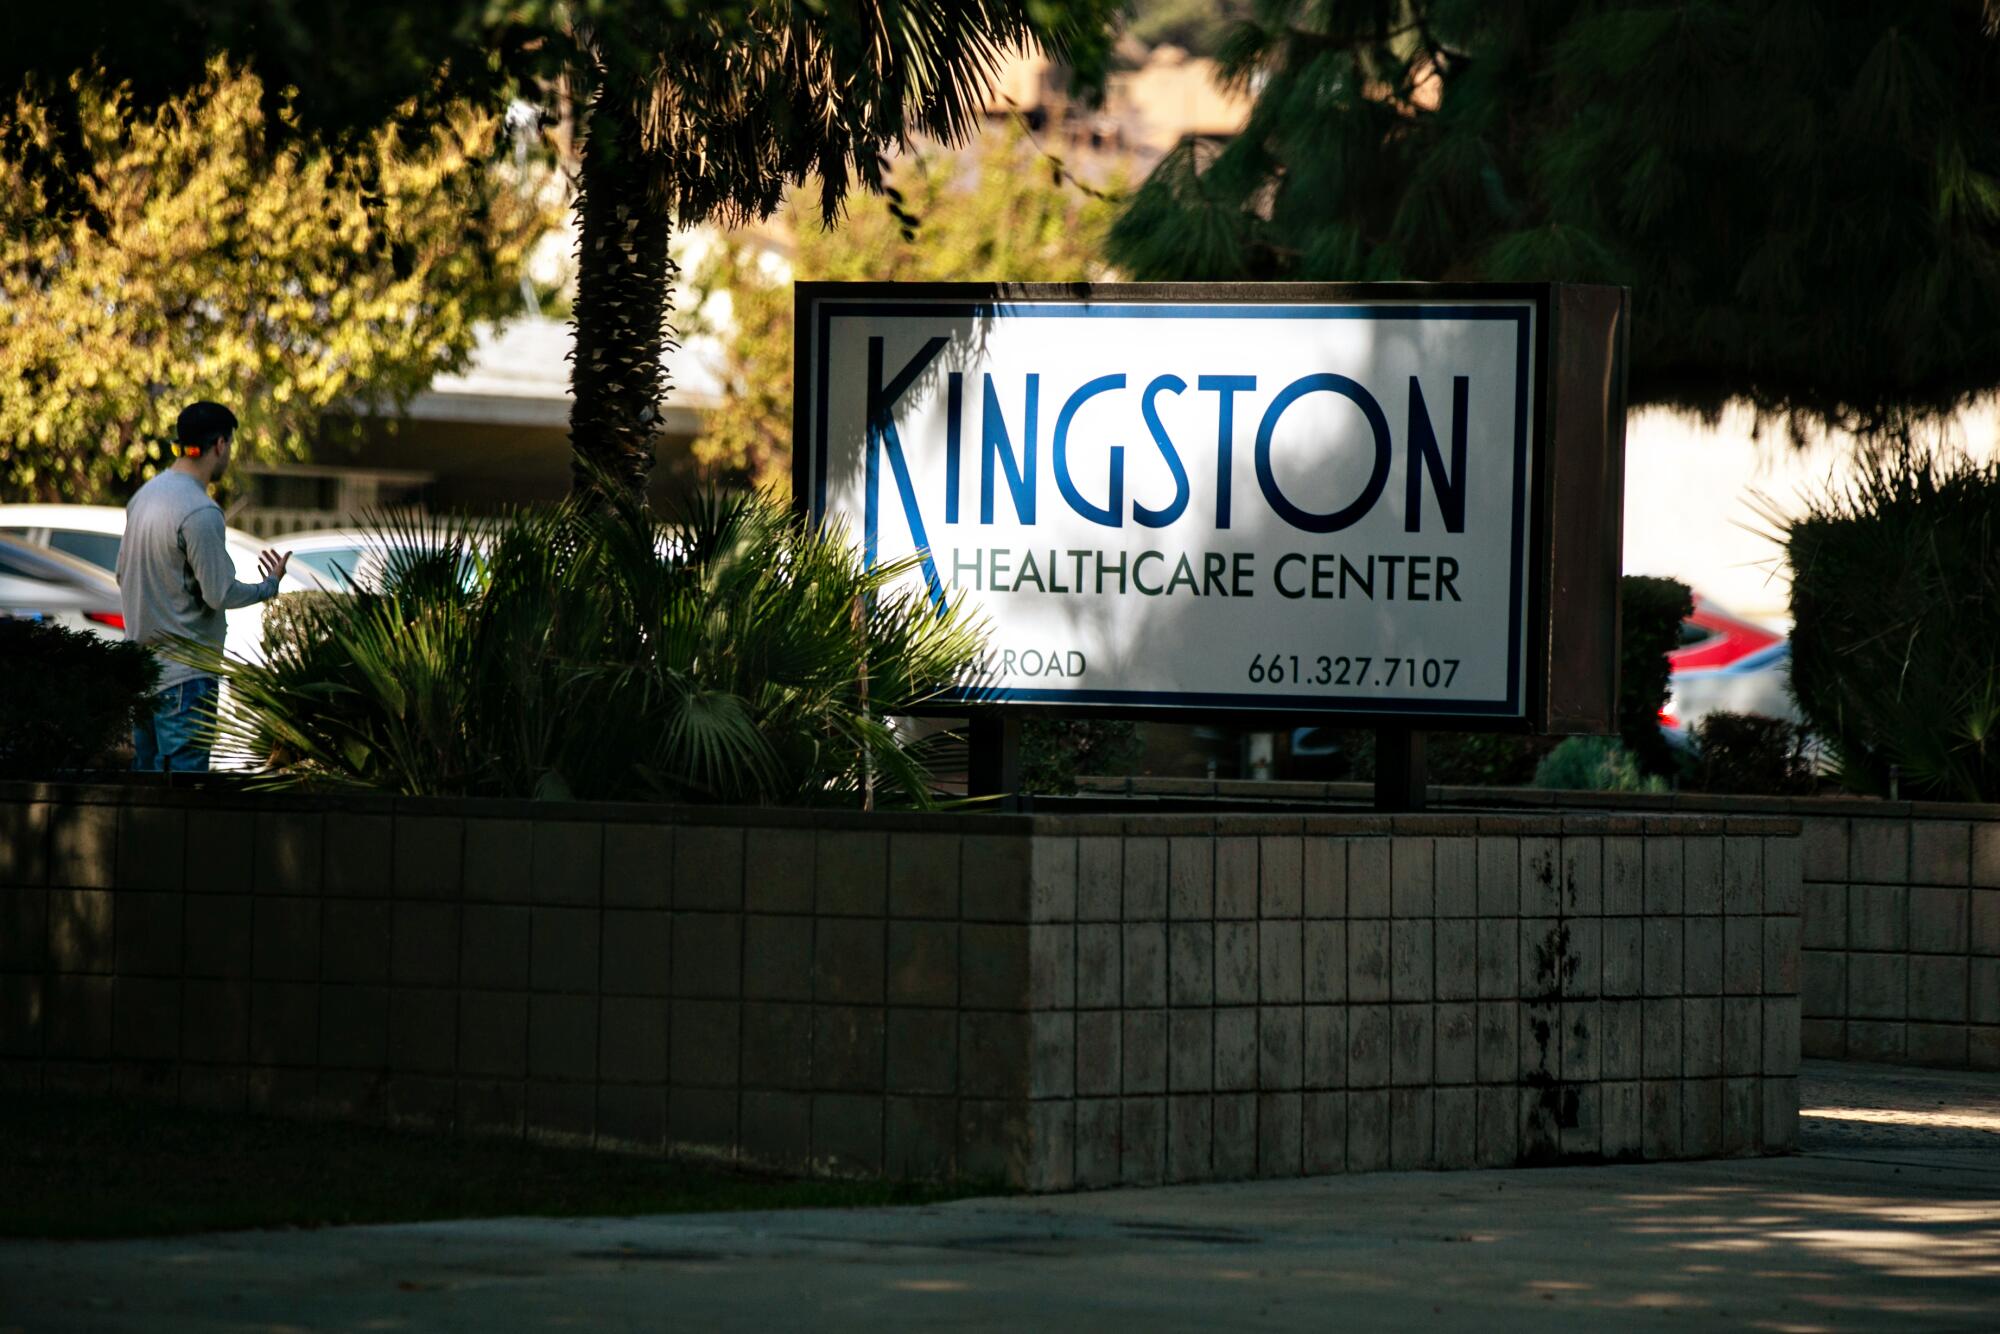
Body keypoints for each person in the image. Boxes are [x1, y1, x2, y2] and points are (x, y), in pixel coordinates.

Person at [116, 401, 291, 772]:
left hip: (142, 675)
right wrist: (268, 586)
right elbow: (219, 593)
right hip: (186, 681)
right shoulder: (200, 510)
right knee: (184, 806)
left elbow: (122, 575)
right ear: (221, 445)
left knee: (143, 802)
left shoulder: (143, 498)